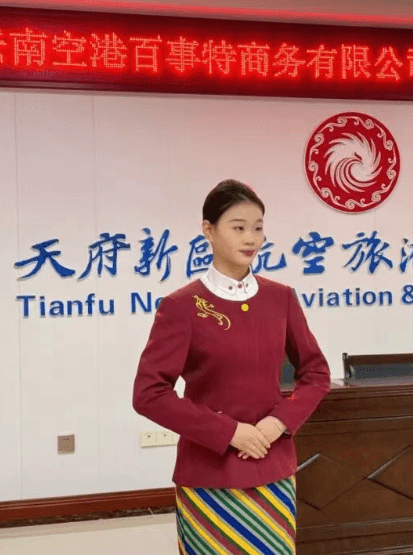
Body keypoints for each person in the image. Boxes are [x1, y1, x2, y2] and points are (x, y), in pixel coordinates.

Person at [133, 179, 331, 554]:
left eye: (258, 228)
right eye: (238, 227)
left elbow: (317, 374)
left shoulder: (280, 299)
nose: (251, 238)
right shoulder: (182, 306)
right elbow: (149, 394)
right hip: (209, 474)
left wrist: (278, 422)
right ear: (208, 230)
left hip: (273, 471)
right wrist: (229, 432)